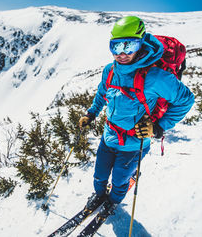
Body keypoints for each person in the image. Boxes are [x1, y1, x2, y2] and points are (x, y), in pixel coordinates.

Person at [79, 16, 195, 218]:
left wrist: (158, 128)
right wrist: (91, 113)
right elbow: (102, 94)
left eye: (129, 46)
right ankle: (99, 195)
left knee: (120, 180)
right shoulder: (110, 70)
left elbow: (185, 100)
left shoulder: (155, 77)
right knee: (99, 176)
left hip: (134, 144)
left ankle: (113, 202)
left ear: (140, 43)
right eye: (116, 47)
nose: (122, 53)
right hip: (109, 136)